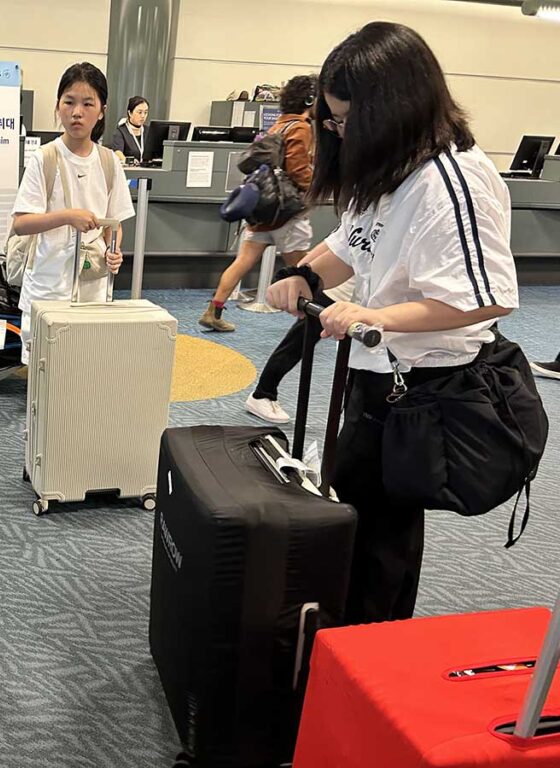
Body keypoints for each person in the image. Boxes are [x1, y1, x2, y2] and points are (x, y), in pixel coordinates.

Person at [265, 22, 518, 624]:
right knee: (352, 512)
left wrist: (375, 315)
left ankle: (366, 650)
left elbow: (486, 298)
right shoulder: (391, 169)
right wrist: (308, 275)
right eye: (334, 121)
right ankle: (338, 642)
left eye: (347, 121)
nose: (340, 133)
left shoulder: (454, 181)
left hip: (426, 389)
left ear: (395, 109)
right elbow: (353, 242)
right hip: (377, 374)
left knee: (383, 542)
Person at [11, 62, 135, 365]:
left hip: (92, 284)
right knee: (45, 369)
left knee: (84, 368)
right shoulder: (45, 158)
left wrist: (114, 251)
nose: (76, 112)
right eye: (69, 102)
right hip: (48, 283)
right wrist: (68, 216)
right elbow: (21, 223)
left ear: (101, 110)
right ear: (58, 106)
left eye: (87, 103)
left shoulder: (108, 162)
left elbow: (114, 223)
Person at [199, 74, 317, 332]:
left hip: (262, 211)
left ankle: (213, 310)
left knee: (242, 261)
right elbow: (298, 169)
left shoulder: (277, 126)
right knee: (303, 269)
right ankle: (312, 320)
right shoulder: (300, 127)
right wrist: (316, 187)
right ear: (309, 100)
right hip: (286, 213)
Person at [245, 273, 355, 423]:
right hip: (338, 297)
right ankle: (263, 393)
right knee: (297, 343)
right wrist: (299, 278)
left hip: (358, 303)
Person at [109, 96, 149, 164]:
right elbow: (118, 152)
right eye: (139, 112)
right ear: (130, 113)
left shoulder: (148, 131)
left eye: (145, 112)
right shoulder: (121, 131)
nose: (143, 116)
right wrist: (128, 161)